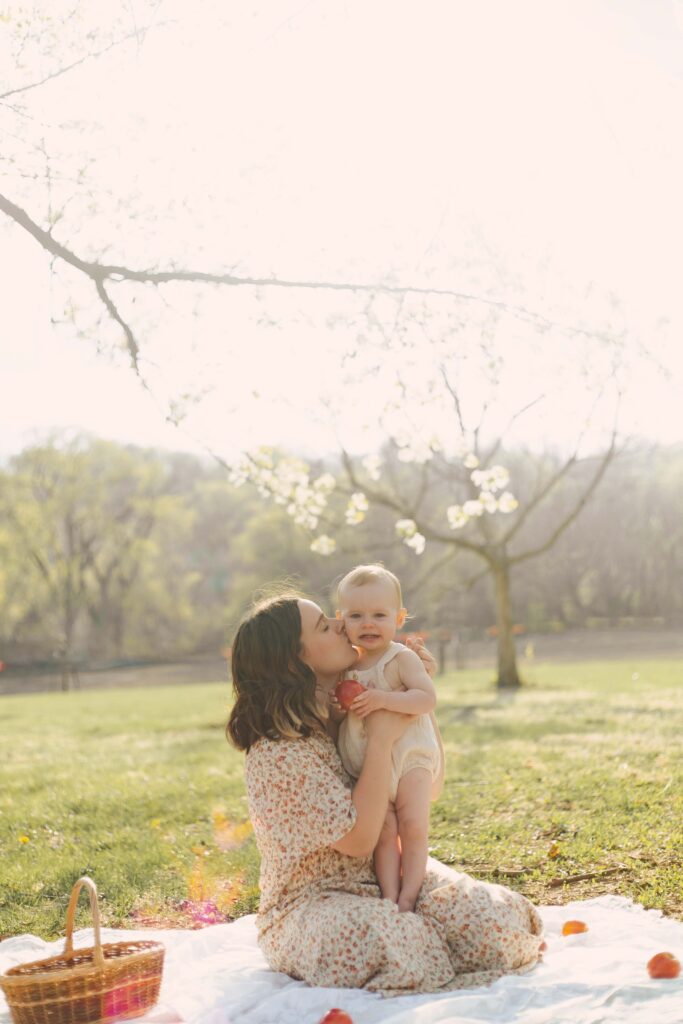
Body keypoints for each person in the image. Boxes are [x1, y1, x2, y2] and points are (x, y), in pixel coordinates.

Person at [226, 590, 544, 995]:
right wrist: (380, 740)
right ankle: (423, 945)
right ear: (295, 661)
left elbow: (429, 786)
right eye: (325, 625)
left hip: (386, 874)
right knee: (389, 943)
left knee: (494, 924)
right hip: (313, 903)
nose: (342, 623)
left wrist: (412, 702)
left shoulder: (358, 698)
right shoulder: (280, 753)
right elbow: (359, 839)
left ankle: (430, 942)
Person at [333, 564, 442, 911]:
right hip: (370, 764)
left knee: (411, 824)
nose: (368, 623)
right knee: (383, 831)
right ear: (341, 620)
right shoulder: (344, 667)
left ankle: (410, 893)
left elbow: (426, 699)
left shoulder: (402, 658)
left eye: (379, 614)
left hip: (411, 757)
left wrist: (384, 699)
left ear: (399, 618)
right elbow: (338, 715)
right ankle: (389, 896)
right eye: (356, 615)